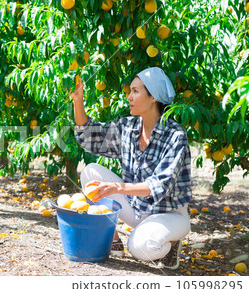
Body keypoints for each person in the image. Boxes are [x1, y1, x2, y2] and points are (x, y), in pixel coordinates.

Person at [71, 67, 192, 270]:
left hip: (169, 214)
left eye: (136, 91)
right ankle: (112, 237)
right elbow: (91, 137)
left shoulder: (175, 135)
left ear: (153, 97)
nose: (129, 97)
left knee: (140, 248)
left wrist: (118, 188)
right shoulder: (128, 127)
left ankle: (170, 243)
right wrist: (78, 100)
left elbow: (160, 185)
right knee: (90, 172)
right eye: (130, 91)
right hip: (137, 208)